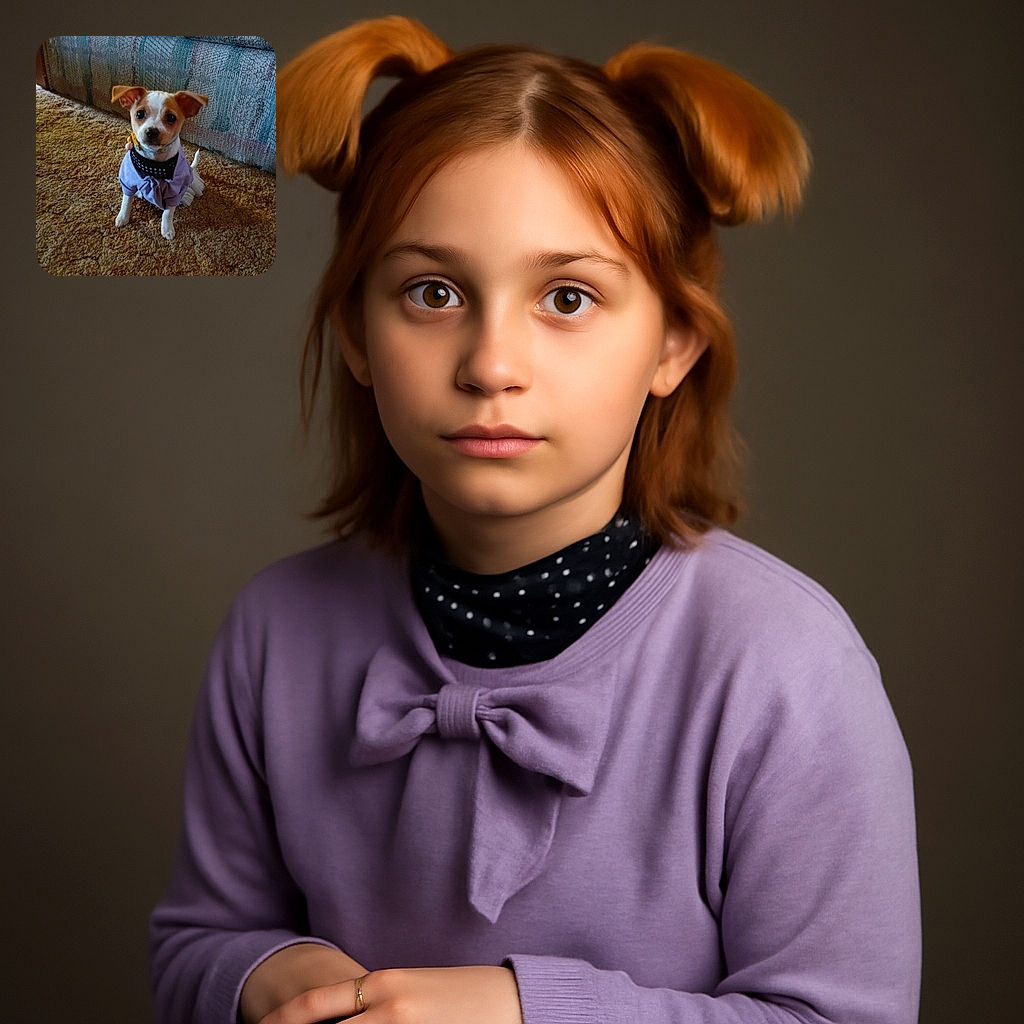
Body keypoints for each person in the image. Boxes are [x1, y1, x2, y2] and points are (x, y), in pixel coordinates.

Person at [150, 16, 921, 1024]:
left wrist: (526, 1012)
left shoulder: (784, 665)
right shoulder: (274, 631)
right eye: (431, 292)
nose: (491, 365)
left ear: (674, 342)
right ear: (354, 333)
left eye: (565, 297)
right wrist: (264, 973)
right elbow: (195, 944)